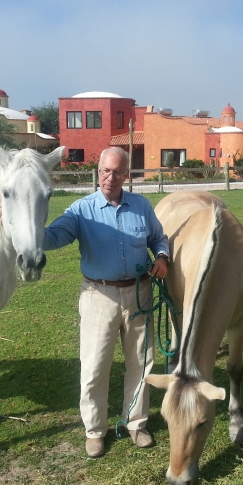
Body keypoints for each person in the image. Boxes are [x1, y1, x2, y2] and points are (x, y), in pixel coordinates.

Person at [43, 147, 169, 458]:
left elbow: (158, 238)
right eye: (104, 171)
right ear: (97, 172)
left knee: (141, 364)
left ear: (127, 175)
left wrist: (163, 256)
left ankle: (136, 424)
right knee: (95, 367)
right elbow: (52, 238)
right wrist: (23, 227)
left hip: (139, 294)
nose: (109, 178)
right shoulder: (80, 210)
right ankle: (94, 431)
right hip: (99, 296)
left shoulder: (141, 206)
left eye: (116, 172)